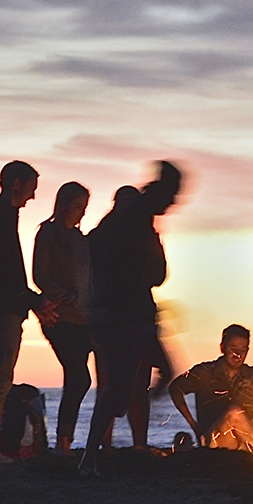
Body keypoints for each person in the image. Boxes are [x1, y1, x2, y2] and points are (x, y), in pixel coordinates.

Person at [83, 162, 183, 470]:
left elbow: (156, 273)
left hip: (137, 314)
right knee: (117, 392)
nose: (174, 203)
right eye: (172, 195)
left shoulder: (138, 222)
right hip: (123, 316)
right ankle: (89, 456)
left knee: (163, 372)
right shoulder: (131, 218)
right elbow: (152, 272)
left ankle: (100, 449)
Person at [0, 161, 58, 464]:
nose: (33, 197)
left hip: (3, 307)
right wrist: (33, 302)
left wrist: (32, 302)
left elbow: (10, 276)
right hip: (1, 309)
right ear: (17, 184)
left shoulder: (3, 217)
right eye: (31, 189)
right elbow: (6, 275)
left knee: (0, 376)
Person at [34, 181, 93, 453]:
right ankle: (63, 441)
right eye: (77, 206)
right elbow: (39, 275)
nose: (81, 212)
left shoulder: (82, 241)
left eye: (84, 207)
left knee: (78, 377)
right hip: (59, 316)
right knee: (79, 377)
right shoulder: (48, 233)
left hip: (84, 318)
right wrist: (68, 297)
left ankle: (66, 442)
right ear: (64, 204)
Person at [167, 324, 253, 452]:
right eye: (233, 348)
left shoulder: (252, 375)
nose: (238, 354)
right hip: (216, 440)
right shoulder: (204, 373)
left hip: (246, 443)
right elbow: (175, 389)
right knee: (234, 414)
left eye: (243, 350)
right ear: (222, 348)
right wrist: (194, 426)